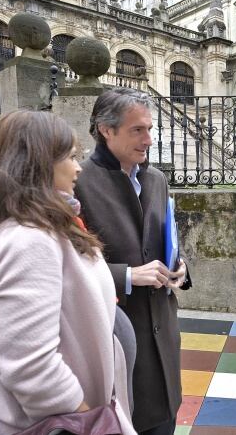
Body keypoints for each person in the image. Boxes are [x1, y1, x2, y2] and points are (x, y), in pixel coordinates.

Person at [0, 110, 136, 435]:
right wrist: (91, 423)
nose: (79, 167)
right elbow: (31, 368)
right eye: (71, 156)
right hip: (60, 424)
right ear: (37, 163)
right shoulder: (30, 240)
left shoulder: (5, 231)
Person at [75, 88, 191, 435]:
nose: (149, 140)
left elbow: (164, 237)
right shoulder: (77, 181)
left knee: (164, 422)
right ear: (105, 130)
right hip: (114, 337)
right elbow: (65, 269)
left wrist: (181, 267)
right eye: (137, 130)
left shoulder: (156, 179)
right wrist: (126, 275)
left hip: (163, 338)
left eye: (150, 129)